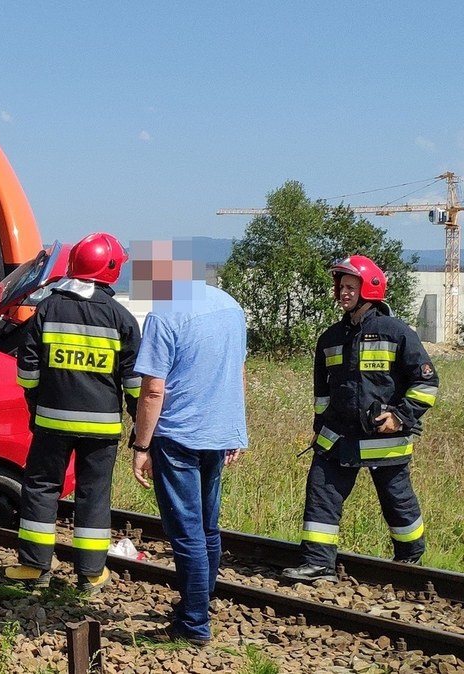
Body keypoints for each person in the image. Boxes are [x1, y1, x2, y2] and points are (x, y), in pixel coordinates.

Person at [282, 255, 437, 583]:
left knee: (397, 501)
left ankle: (410, 563)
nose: (343, 292)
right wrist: (318, 428)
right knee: (321, 492)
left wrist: (400, 417)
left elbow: (426, 382)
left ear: (369, 289)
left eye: (351, 287)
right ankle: (318, 565)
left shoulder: (397, 333)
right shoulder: (330, 338)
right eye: (341, 287)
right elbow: (322, 396)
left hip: (385, 440)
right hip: (337, 438)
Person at [6, 232, 140, 594]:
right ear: (110, 270)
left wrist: (35, 402)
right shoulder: (121, 317)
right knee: (93, 496)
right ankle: (91, 574)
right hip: (103, 427)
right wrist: (139, 430)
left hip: (51, 421)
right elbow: (135, 383)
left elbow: (27, 368)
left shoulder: (47, 308)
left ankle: (35, 568)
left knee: (41, 489)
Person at [131, 242, 247, 646]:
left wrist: (141, 445)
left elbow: (152, 390)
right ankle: (201, 600)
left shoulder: (165, 315)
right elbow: (237, 371)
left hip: (178, 435)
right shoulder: (231, 306)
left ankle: (194, 622)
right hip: (218, 432)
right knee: (207, 528)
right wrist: (237, 430)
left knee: (186, 533)